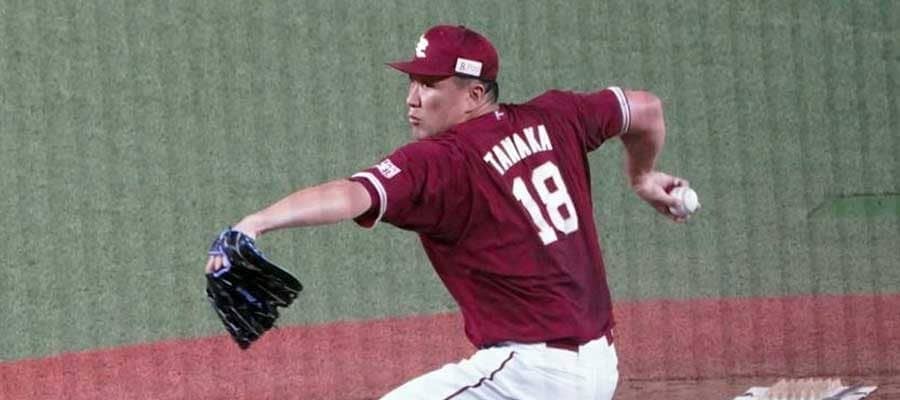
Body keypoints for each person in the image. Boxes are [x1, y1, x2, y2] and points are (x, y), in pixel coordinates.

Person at [206, 24, 689, 400]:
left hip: (531, 376)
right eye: (412, 81)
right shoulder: (557, 116)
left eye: (430, 84)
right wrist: (643, 177)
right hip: (600, 366)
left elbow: (350, 195)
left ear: (474, 94)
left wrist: (256, 222)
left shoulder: (443, 161)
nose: (413, 98)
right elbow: (645, 108)